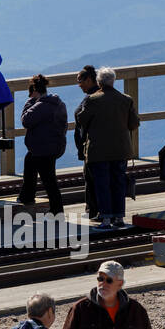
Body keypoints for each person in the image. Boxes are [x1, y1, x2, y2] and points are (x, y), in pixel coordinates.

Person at [78, 67, 140, 230]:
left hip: (98, 150)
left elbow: (82, 120)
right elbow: (134, 123)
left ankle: (105, 219)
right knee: (118, 183)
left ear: (99, 82)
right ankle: (119, 217)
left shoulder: (92, 100)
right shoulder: (126, 99)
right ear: (113, 81)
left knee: (102, 184)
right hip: (121, 149)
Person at [17, 74, 67, 215]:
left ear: (34, 90)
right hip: (53, 145)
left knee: (49, 181)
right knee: (30, 161)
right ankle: (27, 196)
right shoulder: (58, 103)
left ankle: (57, 212)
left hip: (43, 149)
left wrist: (29, 102)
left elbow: (25, 120)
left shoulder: (40, 105)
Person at [72, 65, 99, 221]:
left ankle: (92, 209)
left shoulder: (91, 98)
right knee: (91, 177)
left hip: (90, 146)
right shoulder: (93, 95)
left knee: (91, 178)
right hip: (88, 145)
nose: (79, 84)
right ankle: (92, 208)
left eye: (80, 81)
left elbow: (82, 118)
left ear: (89, 80)